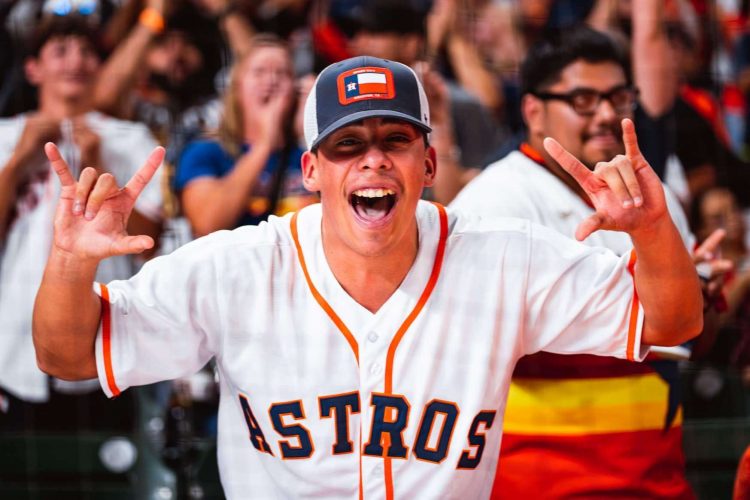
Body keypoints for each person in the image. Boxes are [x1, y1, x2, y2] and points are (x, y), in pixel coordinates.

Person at [33, 55, 703, 498]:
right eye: (347, 145)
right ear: (312, 171)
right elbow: (67, 354)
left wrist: (651, 230)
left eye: (394, 141)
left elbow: (674, 321)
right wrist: (68, 260)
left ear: (430, 163)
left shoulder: (507, 256)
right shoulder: (238, 267)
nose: (373, 161)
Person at [451, 26, 715, 499]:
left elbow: (688, 334)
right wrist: (645, 300)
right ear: (533, 111)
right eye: (583, 101)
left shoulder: (655, 196)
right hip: (534, 482)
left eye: (619, 97)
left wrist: (702, 293)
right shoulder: (490, 202)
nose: (608, 116)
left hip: (656, 478)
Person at [0, 16, 162, 429]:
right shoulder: (6, 135)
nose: (76, 61)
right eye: (61, 51)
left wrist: (98, 164)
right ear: (33, 68)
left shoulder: (130, 138)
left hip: (108, 334)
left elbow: (152, 240)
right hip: (13, 341)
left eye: (88, 52)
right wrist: (18, 161)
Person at [176, 34, 318, 237]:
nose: (271, 81)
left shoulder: (308, 156)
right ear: (237, 87)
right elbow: (207, 225)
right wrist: (264, 144)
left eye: (282, 73)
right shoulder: (205, 152)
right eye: (259, 72)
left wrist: (310, 132)